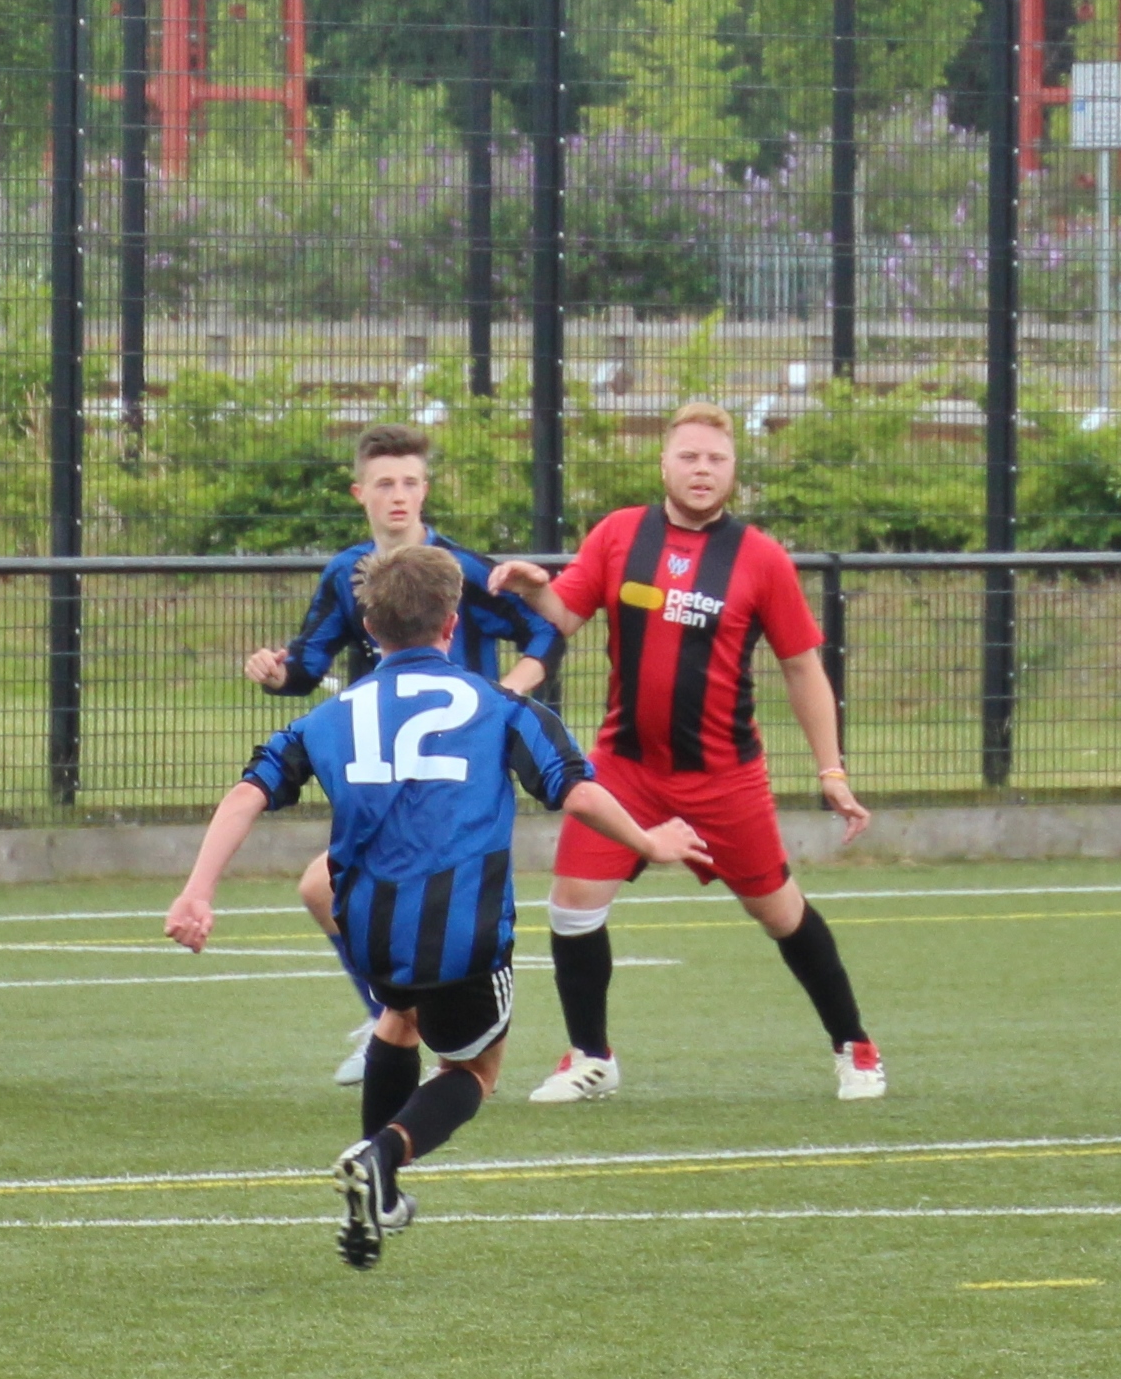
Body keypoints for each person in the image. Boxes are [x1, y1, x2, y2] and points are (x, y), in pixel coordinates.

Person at [165, 543, 710, 1269]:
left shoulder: (328, 717)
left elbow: (247, 793)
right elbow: (576, 791)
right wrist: (650, 839)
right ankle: (383, 1155)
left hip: (369, 931)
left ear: (369, 628)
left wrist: (197, 890)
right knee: (474, 1070)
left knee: (399, 1017)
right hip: (464, 935)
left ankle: (381, 1196)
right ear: (453, 624)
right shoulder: (501, 706)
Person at [488, 402, 882, 1104]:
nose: (703, 469)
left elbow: (802, 667)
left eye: (717, 459)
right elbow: (566, 613)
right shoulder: (618, 534)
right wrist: (536, 585)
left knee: (778, 912)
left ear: (733, 471)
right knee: (572, 905)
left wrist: (832, 771)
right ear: (665, 463)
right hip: (626, 767)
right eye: (690, 456)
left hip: (724, 777)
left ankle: (854, 1045)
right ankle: (592, 1056)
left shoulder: (761, 558)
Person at [241, 422, 563, 1088]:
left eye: (410, 482)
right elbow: (308, 663)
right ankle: (397, 1022)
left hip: (454, 772)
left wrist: (506, 693)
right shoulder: (348, 573)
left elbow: (545, 632)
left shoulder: (461, 572)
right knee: (325, 889)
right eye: (384, 483)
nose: (398, 495)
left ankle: (404, 1027)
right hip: (387, 770)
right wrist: (278, 672)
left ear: (425, 490)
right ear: (359, 493)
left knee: (344, 888)